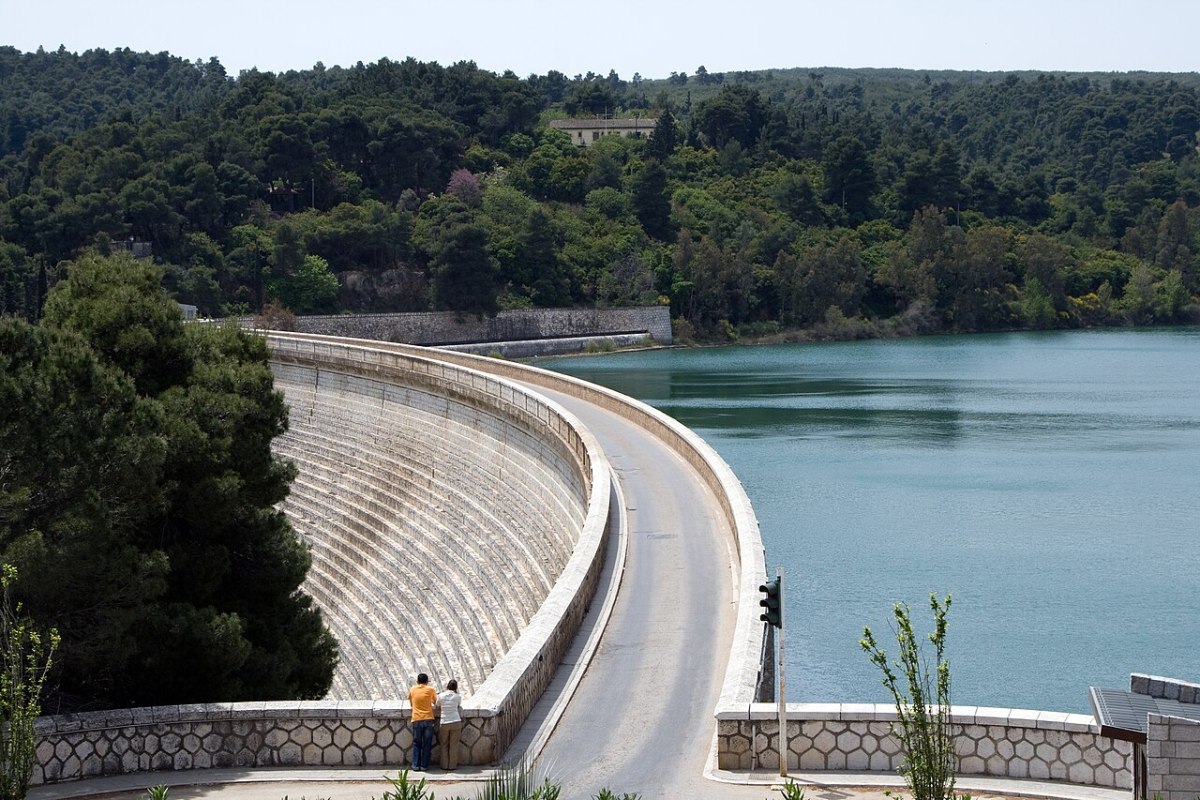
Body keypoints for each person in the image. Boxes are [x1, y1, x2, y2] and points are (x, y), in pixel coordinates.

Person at [407, 672, 437, 771]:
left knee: (417, 743)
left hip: (416, 718)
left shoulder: (412, 689)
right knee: (427, 743)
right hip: (428, 718)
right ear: (427, 682)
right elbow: (435, 701)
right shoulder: (430, 689)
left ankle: (415, 765)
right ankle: (424, 766)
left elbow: (411, 702)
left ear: (417, 681)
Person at [435, 679, 463, 770]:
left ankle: (444, 765)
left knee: (444, 744)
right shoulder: (458, 697)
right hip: (456, 721)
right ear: (456, 687)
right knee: (453, 744)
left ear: (447, 686)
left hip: (444, 722)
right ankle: (452, 766)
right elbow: (458, 705)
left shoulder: (441, 696)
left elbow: (437, 705)